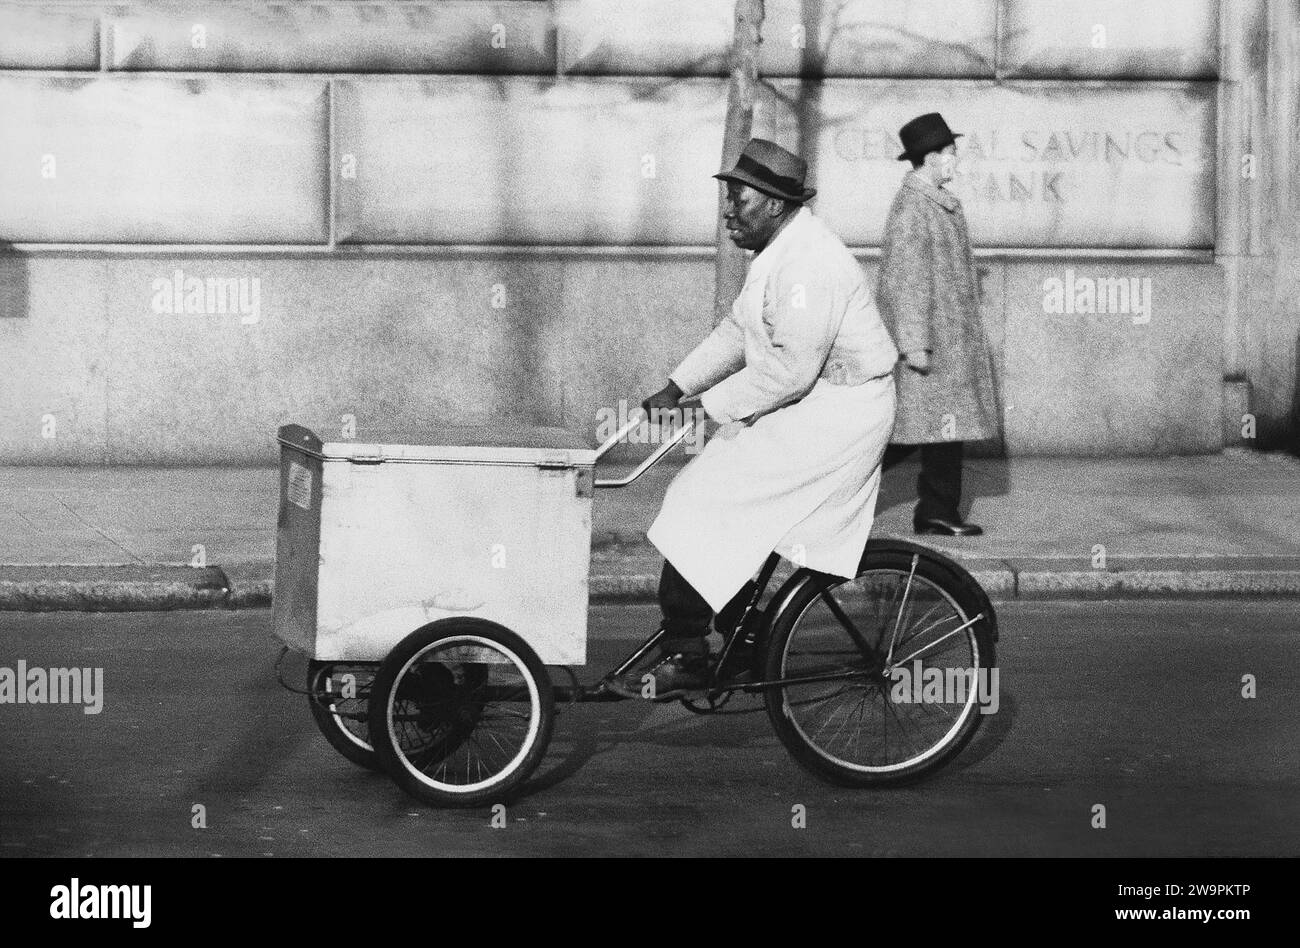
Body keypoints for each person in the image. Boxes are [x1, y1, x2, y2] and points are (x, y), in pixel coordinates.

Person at [611, 138, 899, 700]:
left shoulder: (810, 264)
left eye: (737, 198)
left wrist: (700, 409)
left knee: (704, 496)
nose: (727, 211)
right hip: (811, 404)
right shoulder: (778, 254)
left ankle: (691, 652)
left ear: (771, 203)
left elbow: (791, 370)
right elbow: (738, 333)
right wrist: (677, 386)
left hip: (840, 413)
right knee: (709, 498)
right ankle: (740, 639)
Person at [877, 112, 999, 536]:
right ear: (930, 158)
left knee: (940, 429)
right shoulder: (915, 207)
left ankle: (937, 510)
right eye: (950, 154)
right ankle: (827, 491)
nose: (955, 162)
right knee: (899, 435)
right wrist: (914, 343)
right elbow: (906, 278)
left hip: (945, 340)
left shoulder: (933, 202)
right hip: (932, 341)